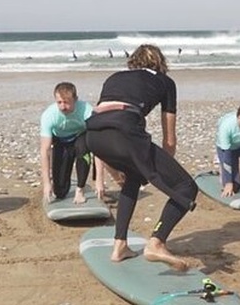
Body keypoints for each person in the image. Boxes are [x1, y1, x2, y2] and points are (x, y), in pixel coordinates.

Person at [83, 44, 197, 271]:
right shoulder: (165, 82)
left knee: (133, 178)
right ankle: (157, 243)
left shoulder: (114, 77)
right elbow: (169, 139)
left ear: (133, 61)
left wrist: (124, 170)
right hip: (125, 133)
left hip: (93, 136)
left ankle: (119, 246)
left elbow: (106, 117)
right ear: (160, 63)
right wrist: (165, 171)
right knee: (186, 187)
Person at [40, 82, 105, 204]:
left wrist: (99, 180)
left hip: (80, 137)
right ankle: (59, 184)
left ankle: (80, 190)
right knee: (60, 192)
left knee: (83, 147)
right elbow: (45, 150)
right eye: (59, 102)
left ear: (75, 99)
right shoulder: (49, 115)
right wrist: (46, 183)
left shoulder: (86, 110)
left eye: (67, 102)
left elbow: (97, 146)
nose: (63, 107)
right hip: (61, 141)